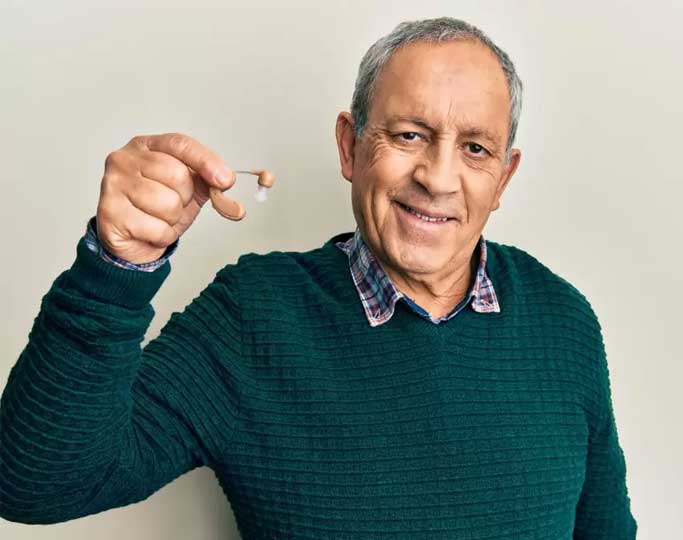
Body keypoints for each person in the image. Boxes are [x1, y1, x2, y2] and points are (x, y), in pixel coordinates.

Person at [0, 16, 638, 539]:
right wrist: (114, 269)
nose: (439, 178)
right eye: (409, 135)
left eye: (475, 148)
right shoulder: (253, 317)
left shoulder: (563, 322)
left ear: (503, 177)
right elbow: (34, 484)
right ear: (349, 146)